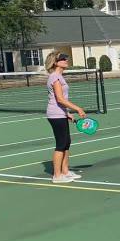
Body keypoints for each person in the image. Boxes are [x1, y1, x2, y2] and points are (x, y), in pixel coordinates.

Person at [44, 52, 86, 183]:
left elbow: (60, 100)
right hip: (55, 115)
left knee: (66, 143)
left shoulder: (59, 77)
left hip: (60, 113)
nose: (66, 60)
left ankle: (65, 171)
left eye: (65, 58)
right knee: (61, 144)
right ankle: (57, 176)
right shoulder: (55, 77)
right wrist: (78, 108)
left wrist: (67, 113)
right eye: (62, 59)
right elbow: (60, 99)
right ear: (55, 62)